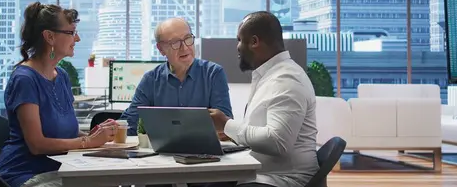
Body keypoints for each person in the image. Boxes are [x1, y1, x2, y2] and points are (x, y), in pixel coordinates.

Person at [0, 2, 119, 187]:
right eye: (71, 32)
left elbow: (66, 132)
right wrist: (87, 141)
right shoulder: (25, 79)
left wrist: (95, 135)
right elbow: (37, 145)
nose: (76, 38)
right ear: (49, 37)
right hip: (26, 174)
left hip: (60, 170)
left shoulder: (61, 76)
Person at [209, 11, 319, 187]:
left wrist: (226, 124)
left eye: (239, 39)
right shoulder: (270, 75)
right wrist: (230, 134)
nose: (237, 47)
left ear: (254, 42)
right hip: (261, 173)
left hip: (280, 180)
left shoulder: (287, 79)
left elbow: (277, 141)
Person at [121, 17, 233, 136]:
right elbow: (130, 124)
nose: (185, 47)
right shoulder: (151, 80)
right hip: (162, 152)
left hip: (203, 152)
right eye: (175, 42)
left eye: (188, 39)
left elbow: (224, 125)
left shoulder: (213, 74)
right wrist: (112, 128)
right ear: (161, 49)